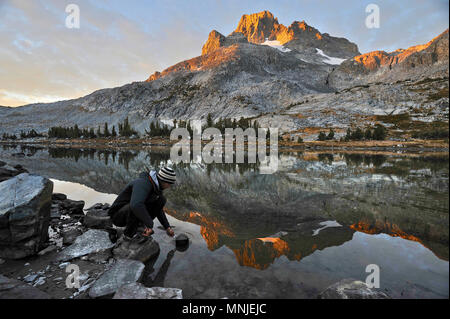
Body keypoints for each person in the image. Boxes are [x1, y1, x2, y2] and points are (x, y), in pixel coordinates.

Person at [107, 166, 176, 242]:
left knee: (161, 200)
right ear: (164, 181)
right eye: (169, 184)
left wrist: (167, 227)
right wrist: (149, 224)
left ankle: (138, 226)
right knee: (136, 205)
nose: (169, 186)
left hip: (129, 215)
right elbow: (136, 205)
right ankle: (127, 236)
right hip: (117, 216)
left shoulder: (156, 187)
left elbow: (159, 210)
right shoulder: (143, 183)